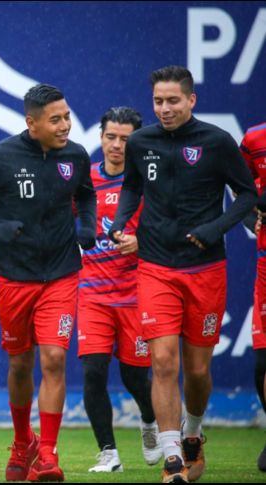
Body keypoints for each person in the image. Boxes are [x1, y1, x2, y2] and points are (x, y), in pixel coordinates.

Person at [108, 65, 257, 483]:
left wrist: (214, 229)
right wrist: (122, 221)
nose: (165, 108)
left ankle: (192, 434)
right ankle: (173, 455)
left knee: (195, 370)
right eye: (158, 101)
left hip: (205, 269)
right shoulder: (141, 141)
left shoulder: (216, 141)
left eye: (173, 100)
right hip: (155, 266)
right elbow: (132, 188)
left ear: (192, 100)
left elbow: (247, 194)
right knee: (162, 360)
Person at [0, 83, 97, 482]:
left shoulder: (75, 154)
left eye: (67, 116)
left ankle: (48, 455)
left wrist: (86, 226)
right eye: (56, 119)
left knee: (53, 359)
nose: (66, 125)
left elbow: (85, 196)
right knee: (20, 364)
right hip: (14, 280)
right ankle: (23, 443)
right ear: (31, 124)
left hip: (62, 275)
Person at [78, 107, 162, 473]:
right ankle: (109, 453)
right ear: (100, 138)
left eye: (125, 139)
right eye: (110, 137)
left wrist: (141, 242)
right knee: (93, 371)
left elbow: (169, 230)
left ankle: (149, 418)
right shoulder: (83, 181)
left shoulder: (148, 184)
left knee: (134, 377)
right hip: (91, 294)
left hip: (136, 294)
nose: (116, 145)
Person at [239, 120, 266, 472]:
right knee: (262, 363)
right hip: (265, 264)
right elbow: (241, 187)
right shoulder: (255, 139)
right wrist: (251, 217)